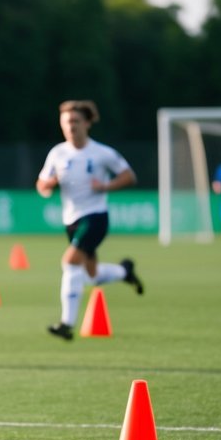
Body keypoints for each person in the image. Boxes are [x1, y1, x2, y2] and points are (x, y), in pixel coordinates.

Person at [36, 100, 143, 341]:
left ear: (86, 123)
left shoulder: (102, 153)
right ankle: (124, 271)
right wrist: (49, 185)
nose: (70, 126)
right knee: (91, 275)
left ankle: (66, 324)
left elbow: (129, 176)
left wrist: (105, 186)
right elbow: (41, 184)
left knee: (70, 262)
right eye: (66, 122)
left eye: (75, 121)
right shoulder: (57, 153)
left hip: (95, 217)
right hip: (71, 221)